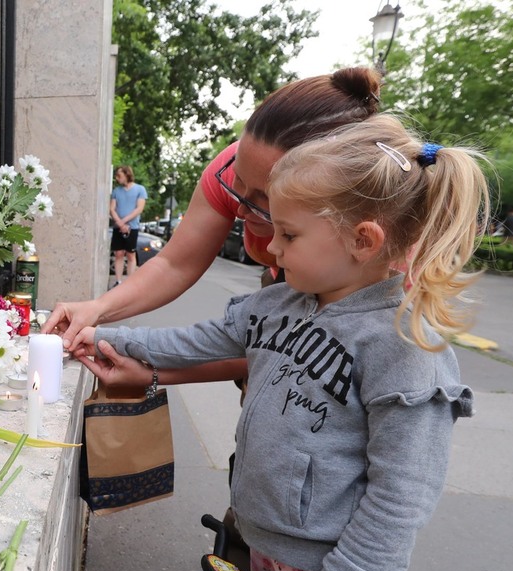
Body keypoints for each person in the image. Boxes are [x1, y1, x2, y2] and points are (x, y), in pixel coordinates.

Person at [74, 114, 491, 571]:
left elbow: (402, 493)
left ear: (363, 241)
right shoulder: (280, 304)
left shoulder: (405, 347)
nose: (271, 248)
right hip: (262, 552)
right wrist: (105, 336)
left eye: (289, 235)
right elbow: (194, 340)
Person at [42, 67, 384, 389]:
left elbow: (274, 349)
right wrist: (98, 310)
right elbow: (178, 267)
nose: (237, 207)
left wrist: (156, 372)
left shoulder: (389, 302)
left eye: (262, 200)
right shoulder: (270, 303)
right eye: (236, 180)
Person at [109, 165, 147, 287]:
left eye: (119, 175)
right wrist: (119, 223)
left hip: (132, 227)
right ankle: (118, 281)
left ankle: (130, 282)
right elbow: (112, 209)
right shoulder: (116, 191)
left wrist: (124, 221)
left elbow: (139, 208)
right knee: (118, 253)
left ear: (127, 175)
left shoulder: (140, 189)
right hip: (118, 228)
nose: (117, 178)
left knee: (130, 254)